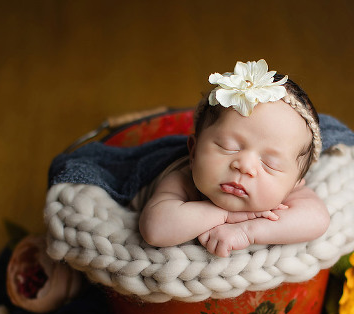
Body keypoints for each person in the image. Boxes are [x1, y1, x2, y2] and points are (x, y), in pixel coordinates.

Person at [137, 59, 330, 257]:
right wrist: (227, 216)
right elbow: (155, 230)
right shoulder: (182, 179)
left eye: (270, 164)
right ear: (193, 151)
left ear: (296, 182)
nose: (244, 166)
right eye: (227, 147)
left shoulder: (284, 191)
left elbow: (317, 219)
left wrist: (247, 232)